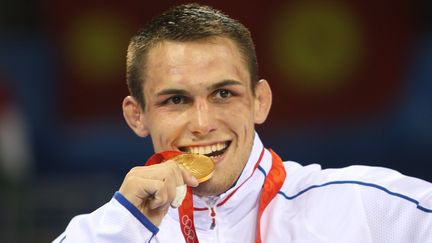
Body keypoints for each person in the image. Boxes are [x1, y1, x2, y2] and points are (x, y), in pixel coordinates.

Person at [54, 3, 432, 243]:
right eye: (176, 99)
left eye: (223, 94)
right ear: (137, 116)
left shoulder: (364, 207)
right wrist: (124, 229)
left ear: (260, 101)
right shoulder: (107, 231)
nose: (203, 124)